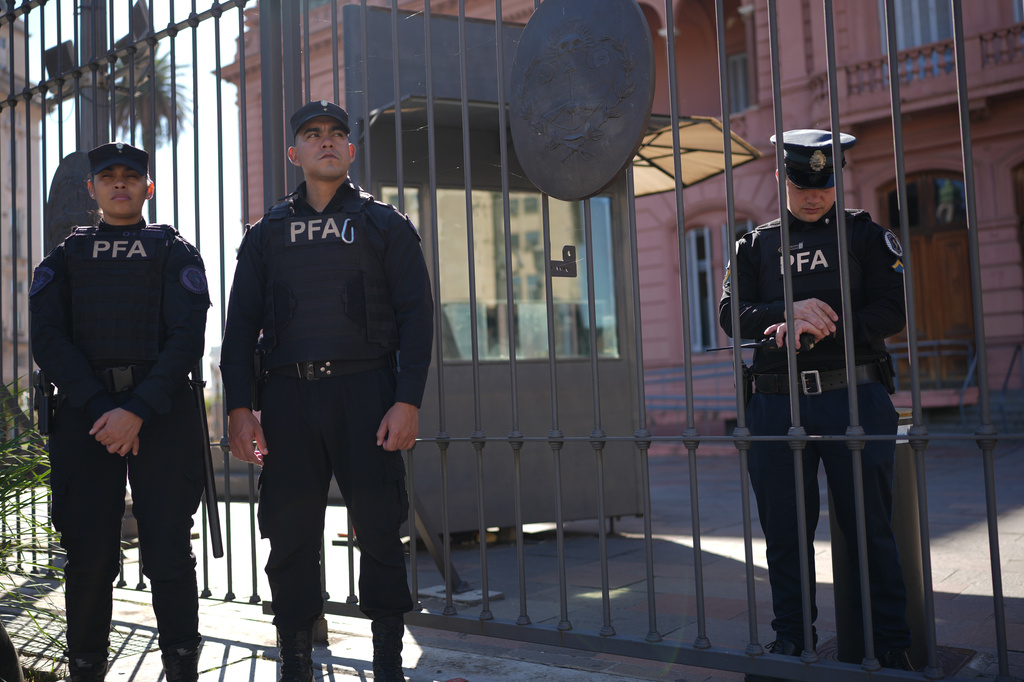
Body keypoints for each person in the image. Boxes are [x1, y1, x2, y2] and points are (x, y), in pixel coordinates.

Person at [220, 100, 433, 682]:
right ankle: (295, 658)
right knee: (288, 534)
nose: (327, 142)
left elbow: (418, 316)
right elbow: (239, 329)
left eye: (337, 134)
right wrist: (240, 408)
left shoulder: (384, 224)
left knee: (381, 531)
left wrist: (407, 399)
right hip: (288, 399)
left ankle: (387, 656)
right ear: (294, 153)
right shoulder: (266, 235)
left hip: (367, 394)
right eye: (313, 135)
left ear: (351, 150)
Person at [719, 130, 912, 672]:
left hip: (854, 395)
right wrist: (787, 313)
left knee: (871, 527)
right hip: (777, 404)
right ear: (783, 179)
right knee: (783, 533)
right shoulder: (754, 245)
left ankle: (892, 643)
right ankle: (792, 641)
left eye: (824, 184)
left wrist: (827, 325)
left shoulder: (866, 236)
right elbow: (731, 314)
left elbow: (891, 312)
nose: (814, 196)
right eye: (803, 184)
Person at [29, 142, 211, 682]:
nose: (120, 184)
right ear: (92, 190)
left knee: (168, 555)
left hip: (159, 414)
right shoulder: (64, 258)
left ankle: (181, 667)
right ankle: (86, 669)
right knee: (88, 559)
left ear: (147, 188)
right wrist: (105, 408)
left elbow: (186, 339)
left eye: (131, 176)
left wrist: (135, 410)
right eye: (107, 177)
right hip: (88, 418)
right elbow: (49, 340)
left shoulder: (174, 252)